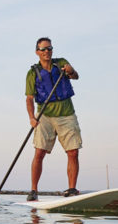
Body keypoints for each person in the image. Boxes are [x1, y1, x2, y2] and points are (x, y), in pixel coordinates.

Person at [25, 37, 81, 201]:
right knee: (39, 152)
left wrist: (70, 70)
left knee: (73, 152)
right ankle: (34, 191)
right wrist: (31, 118)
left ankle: (71, 189)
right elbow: (29, 98)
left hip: (66, 114)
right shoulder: (32, 73)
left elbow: (75, 76)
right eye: (43, 49)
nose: (47, 52)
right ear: (37, 52)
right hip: (45, 116)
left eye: (49, 48)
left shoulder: (61, 63)